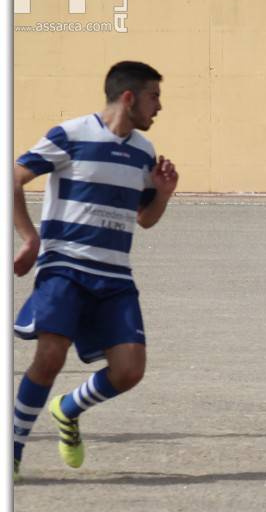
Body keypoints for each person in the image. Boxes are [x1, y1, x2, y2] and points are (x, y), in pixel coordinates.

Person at [11, 61, 178, 482]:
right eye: (154, 96)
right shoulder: (69, 135)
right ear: (129, 97)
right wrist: (29, 238)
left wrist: (163, 195)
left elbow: (145, 219)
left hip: (115, 276)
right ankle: (10, 454)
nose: (159, 106)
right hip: (65, 266)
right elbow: (11, 178)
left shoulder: (143, 151)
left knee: (129, 371)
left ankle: (68, 409)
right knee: (49, 356)